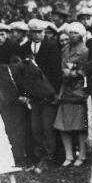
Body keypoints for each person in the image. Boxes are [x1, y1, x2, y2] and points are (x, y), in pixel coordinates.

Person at [24, 18, 62, 172]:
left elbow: (56, 73)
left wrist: (54, 93)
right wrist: (25, 94)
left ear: (44, 32)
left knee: (47, 127)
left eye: (39, 32)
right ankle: (38, 156)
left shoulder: (52, 47)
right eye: (33, 32)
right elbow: (23, 74)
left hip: (48, 94)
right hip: (33, 95)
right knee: (35, 127)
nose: (37, 35)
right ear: (29, 33)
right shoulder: (25, 48)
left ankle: (49, 157)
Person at [54, 22, 89, 167]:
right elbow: (62, 65)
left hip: (79, 89)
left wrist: (75, 73)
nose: (72, 35)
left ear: (81, 34)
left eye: (75, 33)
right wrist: (65, 72)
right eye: (71, 33)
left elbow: (86, 70)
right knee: (63, 124)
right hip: (66, 89)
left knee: (80, 126)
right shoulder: (65, 49)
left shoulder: (85, 50)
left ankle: (82, 155)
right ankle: (68, 155)